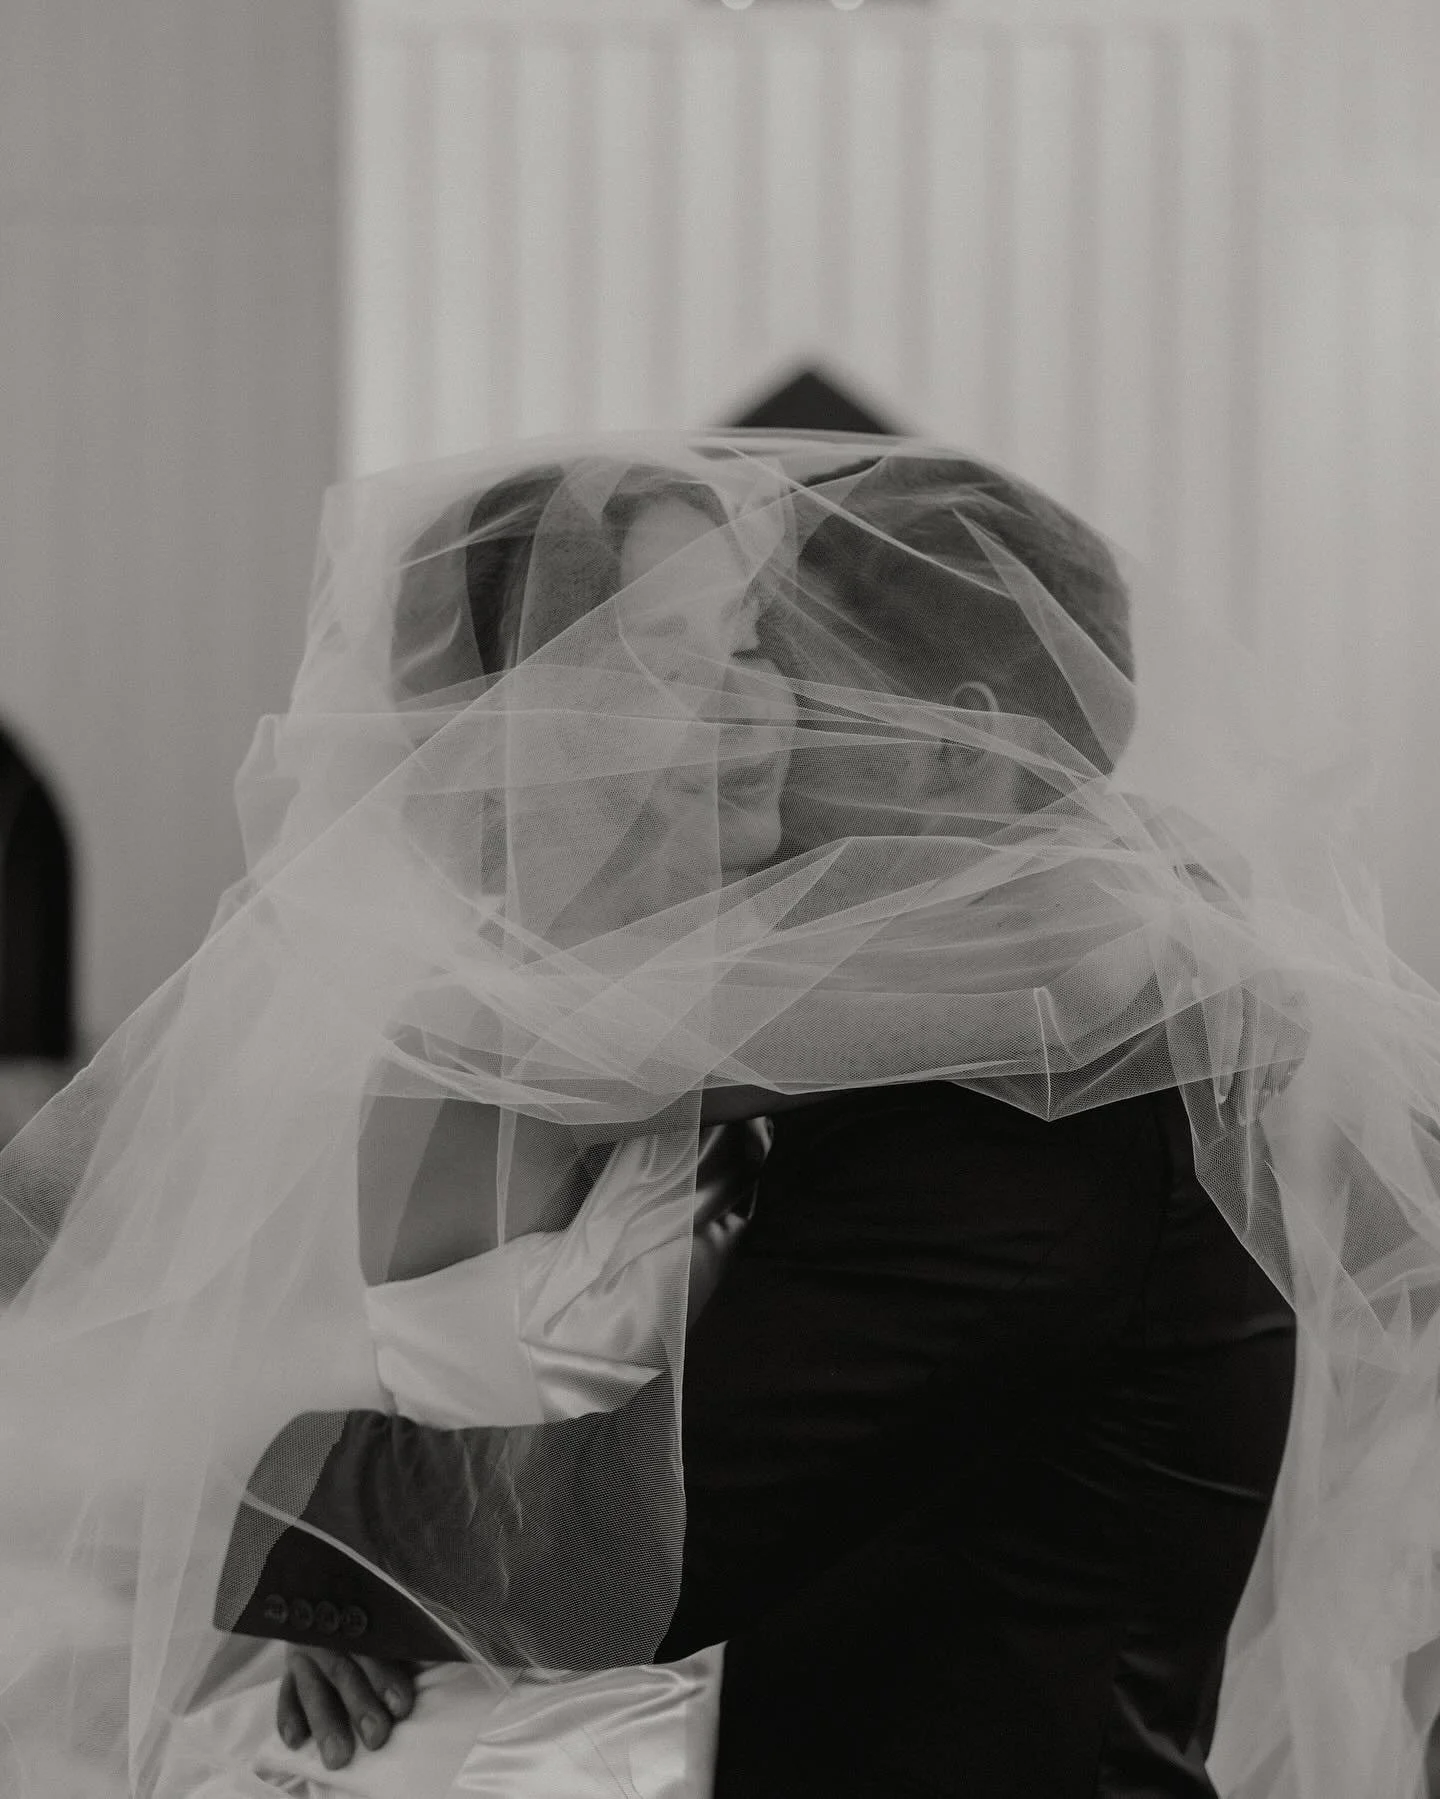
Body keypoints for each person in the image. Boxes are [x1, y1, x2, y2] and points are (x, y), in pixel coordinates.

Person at [0, 433, 1436, 1799]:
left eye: (776, 662)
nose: (773, 720)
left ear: (947, 742)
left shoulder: (1017, 1086)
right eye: (715, 661)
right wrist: (332, 1554)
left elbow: (658, 1529)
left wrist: (340, 1546)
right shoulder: (667, 1030)